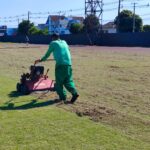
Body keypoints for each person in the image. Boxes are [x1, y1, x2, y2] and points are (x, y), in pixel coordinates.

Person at [35, 33, 79, 103]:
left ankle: (62, 98)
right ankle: (75, 93)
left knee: (59, 83)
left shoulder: (53, 43)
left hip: (60, 65)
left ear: (52, 38)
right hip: (68, 64)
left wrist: (41, 60)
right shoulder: (64, 42)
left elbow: (47, 54)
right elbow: (67, 51)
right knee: (68, 81)